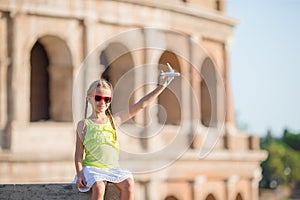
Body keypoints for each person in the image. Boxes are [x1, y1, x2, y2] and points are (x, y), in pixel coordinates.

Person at [73, 70, 175, 200]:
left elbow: (141, 105)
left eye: (107, 99)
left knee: (128, 183)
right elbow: (78, 154)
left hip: (112, 169)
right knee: (99, 187)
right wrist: (80, 174)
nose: (102, 102)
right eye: (98, 98)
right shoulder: (84, 125)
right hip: (93, 169)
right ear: (89, 98)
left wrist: (161, 87)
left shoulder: (114, 120)